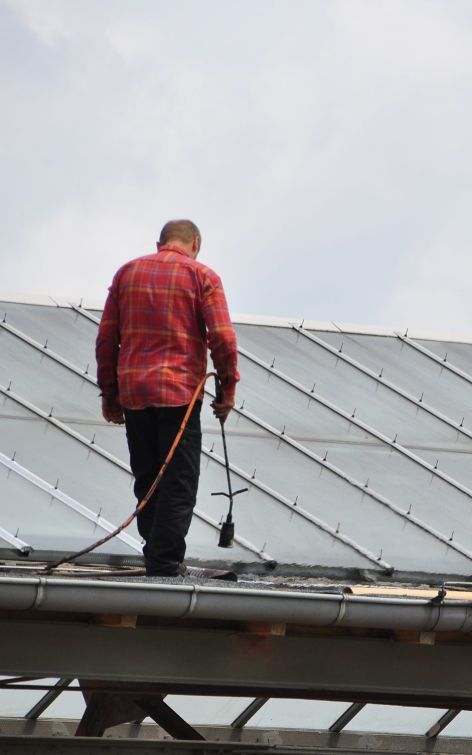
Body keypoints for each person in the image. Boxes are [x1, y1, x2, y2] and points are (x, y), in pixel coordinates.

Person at [96, 219, 239, 576]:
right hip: (178, 394)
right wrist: (228, 389)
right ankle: (164, 564)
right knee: (178, 481)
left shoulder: (127, 273)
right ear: (196, 242)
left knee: (148, 479)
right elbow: (222, 338)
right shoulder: (202, 276)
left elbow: (106, 339)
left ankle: (157, 557)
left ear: (159, 242)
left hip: (134, 392)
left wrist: (110, 396)